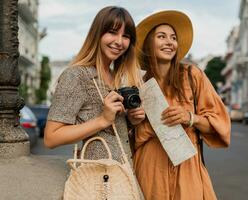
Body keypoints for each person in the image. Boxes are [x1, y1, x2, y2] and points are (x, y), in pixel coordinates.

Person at [133, 10, 231, 200]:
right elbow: (129, 136)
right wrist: (135, 120)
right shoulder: (138, 85)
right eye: (161, 37)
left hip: (187, 165)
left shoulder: (192, 75)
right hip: (149, 165)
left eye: (173, 38)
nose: (169, 42)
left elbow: (221, 123)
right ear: (148, 43)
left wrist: (190, 118)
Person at [44, 6, 145, 164]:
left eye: (126, 36)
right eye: (112, 32)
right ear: (97, 34)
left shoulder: (115, 78)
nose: (119, 42)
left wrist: (130, 121)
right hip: (98, 180)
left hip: (124, 176)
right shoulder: (76, 75)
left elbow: (112, 136)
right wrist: (102, 120)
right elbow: (51, 138)